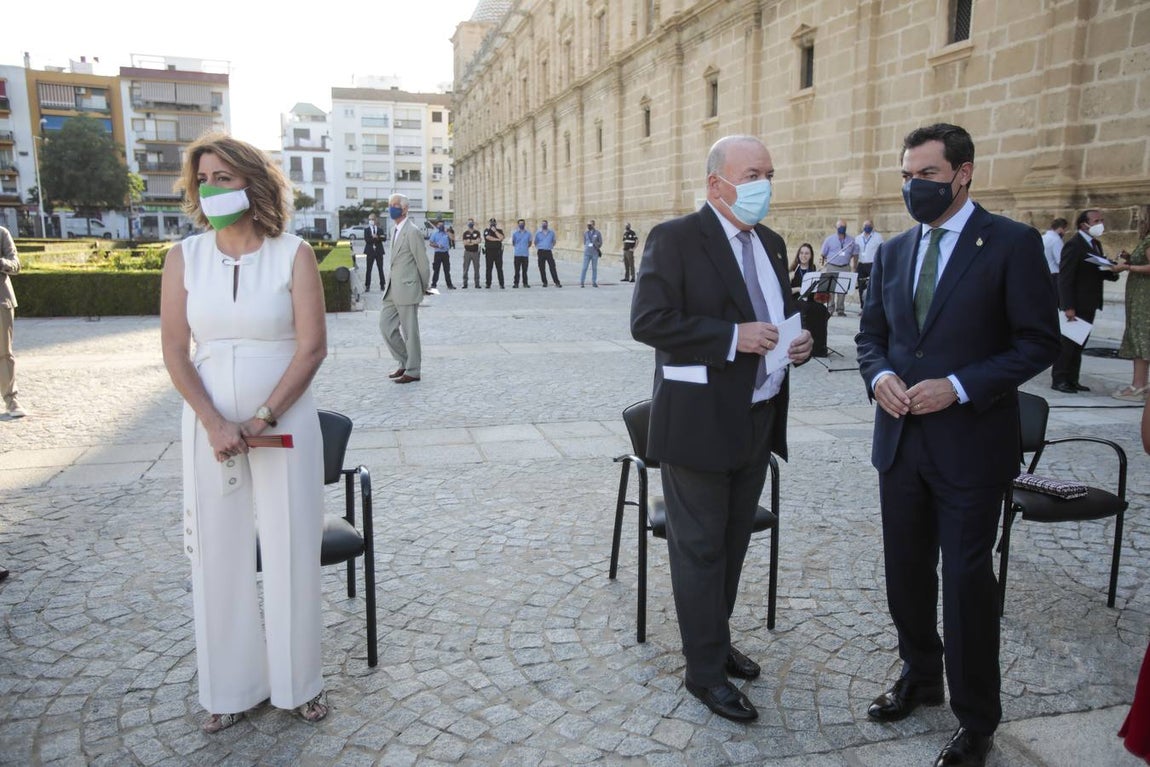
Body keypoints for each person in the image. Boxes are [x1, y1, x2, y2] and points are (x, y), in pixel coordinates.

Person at [856, 123, 1059, 767]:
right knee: (905, 572)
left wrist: (961, 386)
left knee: (967, 581)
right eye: (907, 175)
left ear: (963, 174)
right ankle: (920, 675)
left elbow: (1038, 342)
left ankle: (977, 719)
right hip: (900, 443)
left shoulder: (1011, 244)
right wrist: (880, 377)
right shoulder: (893, 251)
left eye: (927, 175)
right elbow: (871, 338)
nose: (914, 186)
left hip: (971, 447)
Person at [631, 135, 813, 723]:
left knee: (733, 544)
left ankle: (715, 637)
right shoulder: (676, 238)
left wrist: (798, 342)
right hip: (698, 424)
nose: (765, 185)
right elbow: (649, 321)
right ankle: (703, 671)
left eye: (769, 174)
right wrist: (733, 337)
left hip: (758, 417)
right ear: (717, 183)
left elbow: (776, 316)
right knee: (700, 550)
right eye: (753, 174)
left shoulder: (772, 243)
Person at [160, 132, 330, 733]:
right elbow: (175, 351)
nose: (211, 190)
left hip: (286, 423)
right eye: (203, 180)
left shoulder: (293, 254)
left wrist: (262, 418)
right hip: (209, 428)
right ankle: (230, 689)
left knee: (291, 547)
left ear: (252, 184)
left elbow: (312, 348)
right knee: (217, 553)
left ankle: (299, 683)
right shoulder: (184, 258)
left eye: (224, 178)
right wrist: (215, 422)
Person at [1051, 209, 1120, 394]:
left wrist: (1115, 270)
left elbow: (1096, 270)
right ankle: (1060, 379)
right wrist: (1068, 306)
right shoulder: (1074, 245)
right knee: (1068, 344)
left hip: (1090, 302)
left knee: (1079, 344)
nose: (1100, 224)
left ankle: (1072, 379)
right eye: (1096, 221)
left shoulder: (1095, 244)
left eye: (1101, 220)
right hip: (1076, 303)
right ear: (1084, 224)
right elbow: (1065, 278)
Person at [380, 194, 431, 383]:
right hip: (392, 289)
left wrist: (422, 287)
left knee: (410, 333)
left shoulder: (412, 231)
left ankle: (413, 370)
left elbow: (423, 263)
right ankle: (404, 361)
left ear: (405, 209)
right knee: (386, 326)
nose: (391, 208)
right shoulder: (394, 230)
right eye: (390, 205)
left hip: (408, 288)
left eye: (395, 205)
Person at [1112, 205, 1150, 400]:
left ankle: (1138, 385)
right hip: (1139, 296)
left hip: (1143, 298)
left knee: (1140, 337)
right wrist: (1130, 258)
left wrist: (1127, 267)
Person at [0, 225, 24, 419]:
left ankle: (11, 400)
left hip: (1, 301)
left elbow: (15, 263)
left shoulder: (2, 233)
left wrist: (1, 262)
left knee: (4, 353)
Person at [819, 219, 859, 317]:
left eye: (844, 227)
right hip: (832, 266)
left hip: (845, 266)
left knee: (842, 289)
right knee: (831, 289)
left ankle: (840, 309)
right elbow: (823, 254)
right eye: (840, 226)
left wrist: (854, 266)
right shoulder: (829, 240)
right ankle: (830, 308)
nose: (842, 228)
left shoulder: (851, 240)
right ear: (836, 227)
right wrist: (822, 265)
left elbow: (855, 254)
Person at [855, 220, 883, 308]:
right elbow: (856, 253)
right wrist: (854, 266)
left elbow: (882, 250)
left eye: (869, 225)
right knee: (861, 286)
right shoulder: (858, 238)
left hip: (872, 264)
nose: (867, 226)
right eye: (865, 225)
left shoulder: (878, 237)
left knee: (873, 286)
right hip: (861, 264)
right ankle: (863, 307)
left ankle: (872, 306)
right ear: (863, 227)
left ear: (872, 226)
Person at [362, 213, 386, 293]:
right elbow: (367, 240)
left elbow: (384, 238)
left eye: (372, 219)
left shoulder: (380, 229)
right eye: (369, 219)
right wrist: (374, 238)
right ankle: (367, 285)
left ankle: (382, 285)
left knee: (380, 268)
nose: (371, 221)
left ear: (376, 220)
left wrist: (377, 237)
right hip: (370, 251)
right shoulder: (366, 230)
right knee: (369, 269)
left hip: (379, 251)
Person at [428, 220, 454, 290]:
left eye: (442, 225)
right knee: (436, 269)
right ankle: (433, 284)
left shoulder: (446, 233)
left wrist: (447, 232)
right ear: (437, 226)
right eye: (439, 225)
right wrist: (438, 246)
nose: (441, 226)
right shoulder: (434, 233)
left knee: (447, 270)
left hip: (445, 253)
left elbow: (452, 238)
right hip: (438, 253)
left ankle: (449, 285)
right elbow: (431, 243)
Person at [1041, 217, 1069, 283]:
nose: (1064, 233)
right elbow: (1060, 260)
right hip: (1054, 274)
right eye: (1065, 230)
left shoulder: (1042, 237)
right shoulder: (1056, 240)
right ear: (1060, 229)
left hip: (1043, 273)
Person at [534, 219, 561, 287]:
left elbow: (554, 241)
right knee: (541, 267)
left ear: (547, 224)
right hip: (540, 251)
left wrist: (550, 246)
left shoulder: (551, 232)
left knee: (552, 267)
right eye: (543, 224)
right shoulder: (538, 233)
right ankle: (544, 282)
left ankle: (557, 282)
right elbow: (535, 242)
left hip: (548, 251)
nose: (544, 225)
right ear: (541, 225)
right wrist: (539, 246)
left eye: (545, 224)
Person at [483, 218, 506, 288]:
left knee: (499, 268)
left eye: (494, 222)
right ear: (489, 223)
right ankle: (488, 284)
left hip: (498, 252)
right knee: (489, 268)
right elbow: (488, 237)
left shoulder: (499, 231)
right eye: (491, 223)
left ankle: (501, 284)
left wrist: (495, 231)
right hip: (489, 252)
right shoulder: (487, 230)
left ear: (496, 223)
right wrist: (497, 239)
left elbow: (502, 237)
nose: (492, 224)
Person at [581, 219, 603, 287]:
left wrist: (596, 245)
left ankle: (594, 282)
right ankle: (582, 282)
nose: (588, 226)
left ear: (593, 225)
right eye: (588, 225)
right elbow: (585, 242)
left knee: (594, 268)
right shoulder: (585, 233)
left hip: (594, 253)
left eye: (590, 225)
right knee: (584, 268)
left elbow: (600, 242)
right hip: (587, 253)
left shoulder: (597, 233)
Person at [461, 219, 481, 288]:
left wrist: (470, 241)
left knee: (476, 268)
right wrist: (473, 242)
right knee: (465, 268)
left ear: (473, 223)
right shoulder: (465, 233)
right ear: (467, 224)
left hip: (475, 252)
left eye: (471, 222)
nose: (470, 224)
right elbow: (464, 243)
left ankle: (477, 284)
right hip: (467, 253)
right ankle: (465, 283)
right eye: (469, 222)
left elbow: (478, 241)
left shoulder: (477, 232)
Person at [511, 219, 532, 288]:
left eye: (522, 223)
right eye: (520, 223)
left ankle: (525, 283)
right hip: (517, 254)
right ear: (518, 224)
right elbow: (513, 243)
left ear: (524, 224)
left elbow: (530, 243)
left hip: (525, 254)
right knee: (517, 270)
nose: (521, 224)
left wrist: (525, 247)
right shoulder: (515, 233)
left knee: (525, 270)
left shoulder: (528, 233)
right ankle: (516, 283)